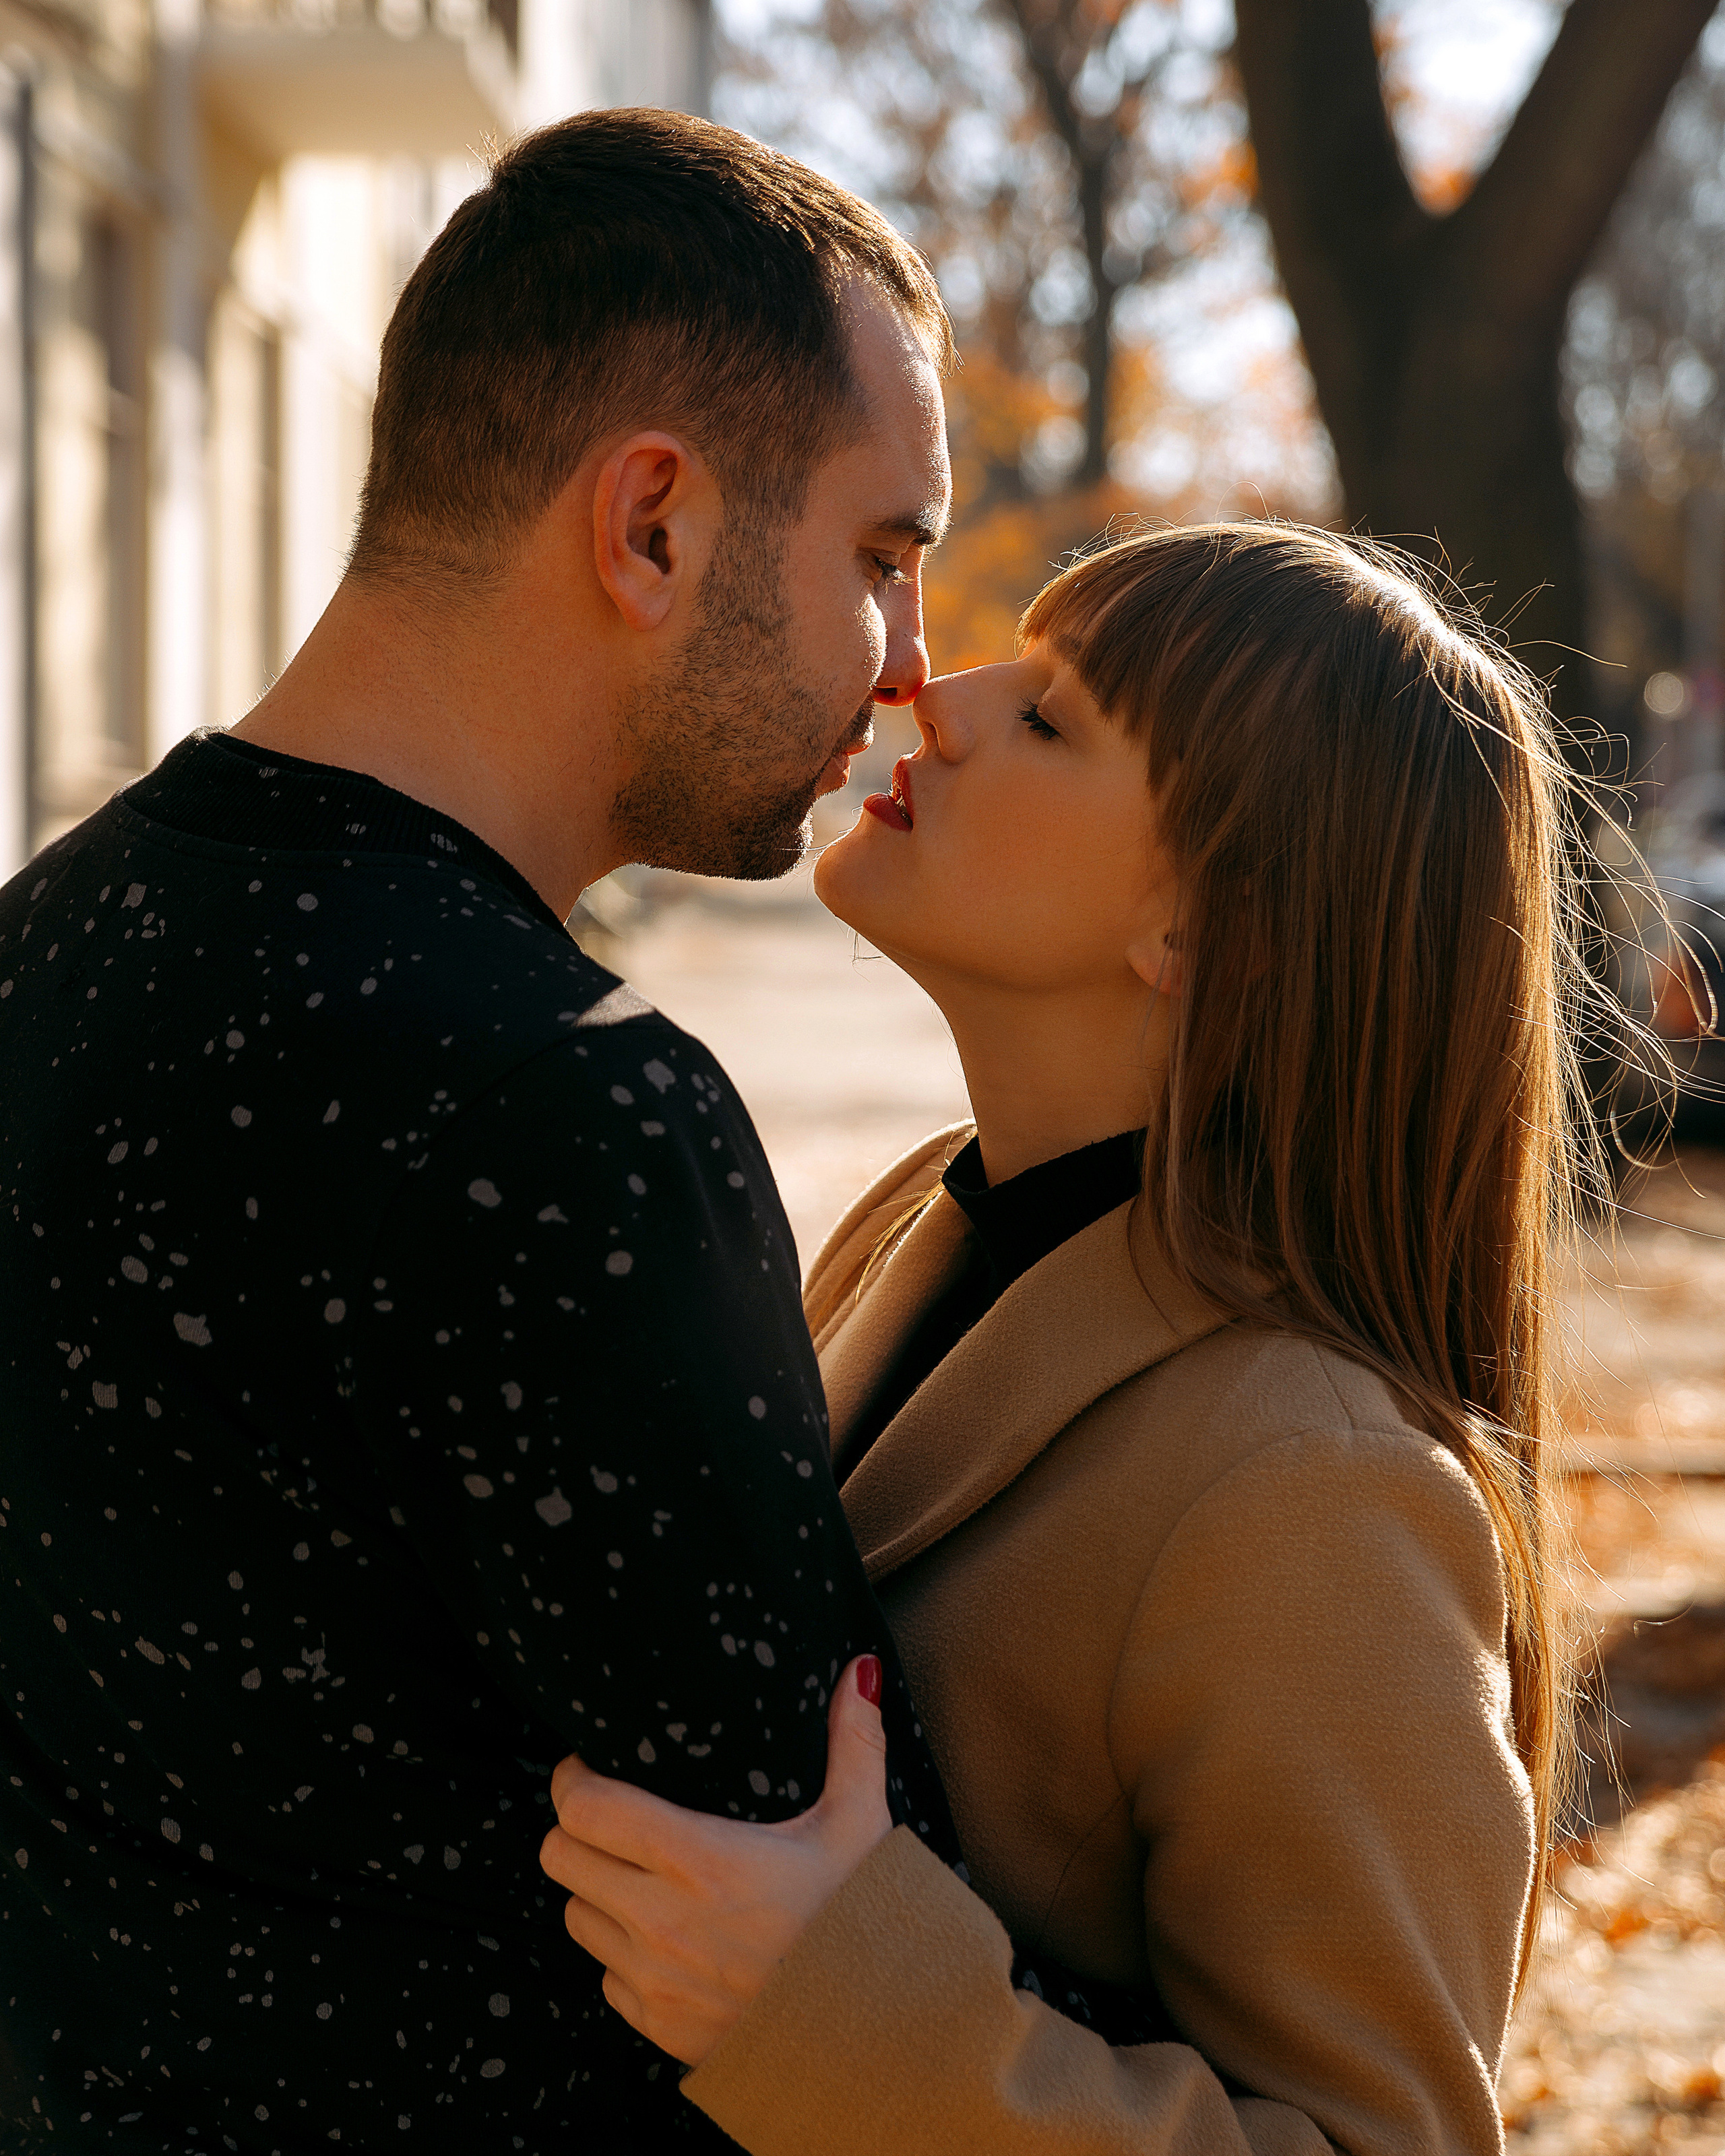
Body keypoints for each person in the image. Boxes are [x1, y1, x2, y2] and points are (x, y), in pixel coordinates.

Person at [0, 108, 1020, 2152]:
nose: (911, 674)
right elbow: (823, 1903)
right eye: (881, 562)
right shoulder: (565, 1104)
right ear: (652, 522)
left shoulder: (40, 947)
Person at [538, 521, 1606, 2155]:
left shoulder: (1310, 1481)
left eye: (1048, 716)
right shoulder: (930, 1219)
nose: (931, 696)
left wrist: (841, 2009)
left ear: (1199, 931)